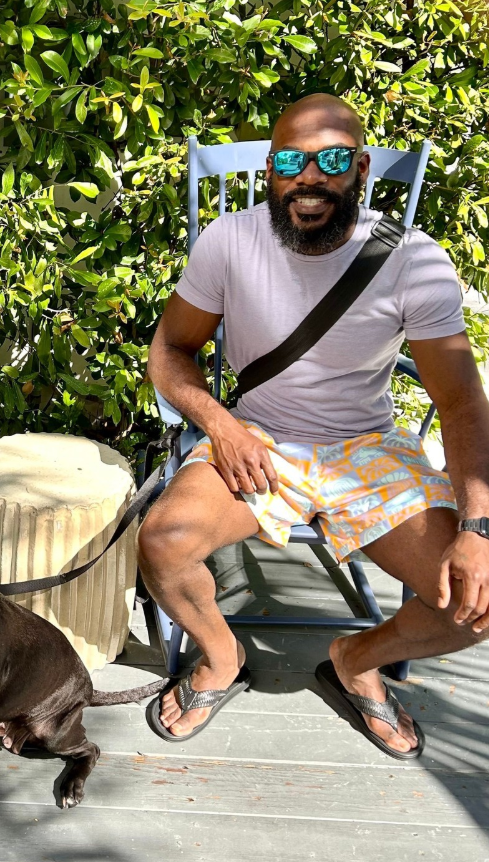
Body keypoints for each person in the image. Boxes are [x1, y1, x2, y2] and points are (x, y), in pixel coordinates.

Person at [139, 94, 489, 759]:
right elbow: (169, 350)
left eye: (330, 161)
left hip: (368, 448)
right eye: (290, 163)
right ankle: (219, 658)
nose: (308, 179)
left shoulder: (412, 260)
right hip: (259, 436)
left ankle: (357, 658)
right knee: (164, 539)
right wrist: (221, 424)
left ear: (358, 169)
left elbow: (462, 404)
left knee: (475, 600)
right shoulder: (229, 242)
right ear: (270, 171)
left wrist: (476, 528)